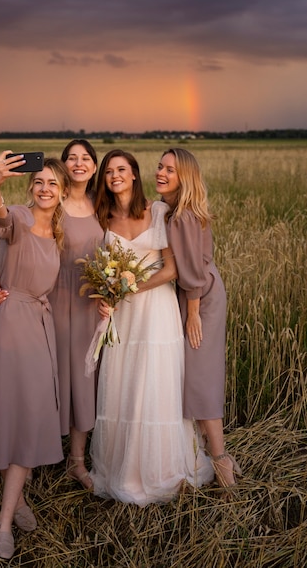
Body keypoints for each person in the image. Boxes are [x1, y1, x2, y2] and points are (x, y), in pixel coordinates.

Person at [90, 149, 214, 506]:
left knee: (155, 383)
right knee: (123, 383)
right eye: (109, 171)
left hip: (156, 310)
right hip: (123, 316)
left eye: (121, 169)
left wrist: (129, 286)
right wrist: (108, 294)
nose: (115, 175)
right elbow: (102, 269)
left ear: (133, 175)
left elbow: (172, 270)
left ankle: (161, 469)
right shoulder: (104, 219)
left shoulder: (156, 211)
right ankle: (121, 468)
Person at [0, 140, 103, 490]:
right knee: (47, 385)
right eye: (71, 158)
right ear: (63, 166)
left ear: (94, 167)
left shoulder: (102, 205)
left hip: (88, 306)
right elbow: (12, 235)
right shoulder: (45, 205)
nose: (78, 163)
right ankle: (32, 459)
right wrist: (0, 282)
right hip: (47, 304)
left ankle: (76, 461)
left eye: (85, 158)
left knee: (84, 382)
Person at [0, 152, 71, 559]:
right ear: (30, 187)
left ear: (63, 192)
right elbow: (0, 220)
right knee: (8, 415)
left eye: (53, 183)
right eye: (39, 182)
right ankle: (8, 517)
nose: (45, 188)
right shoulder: (18, 216)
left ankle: (11, 509)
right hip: (8, 326)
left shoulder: (59, 233)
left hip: (39, 326)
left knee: (29, 416)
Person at [155, 147, 241, 488]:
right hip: (199, 294)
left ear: (184, 177)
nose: (161, 173)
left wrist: (192, 312)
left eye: (170, 170)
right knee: (194, 373)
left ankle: (222, 464)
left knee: (201, 376)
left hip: (201, 298)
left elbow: (192, 271)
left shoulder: (183, 216)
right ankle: (207, 452)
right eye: (160, 166)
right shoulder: (176, 211)